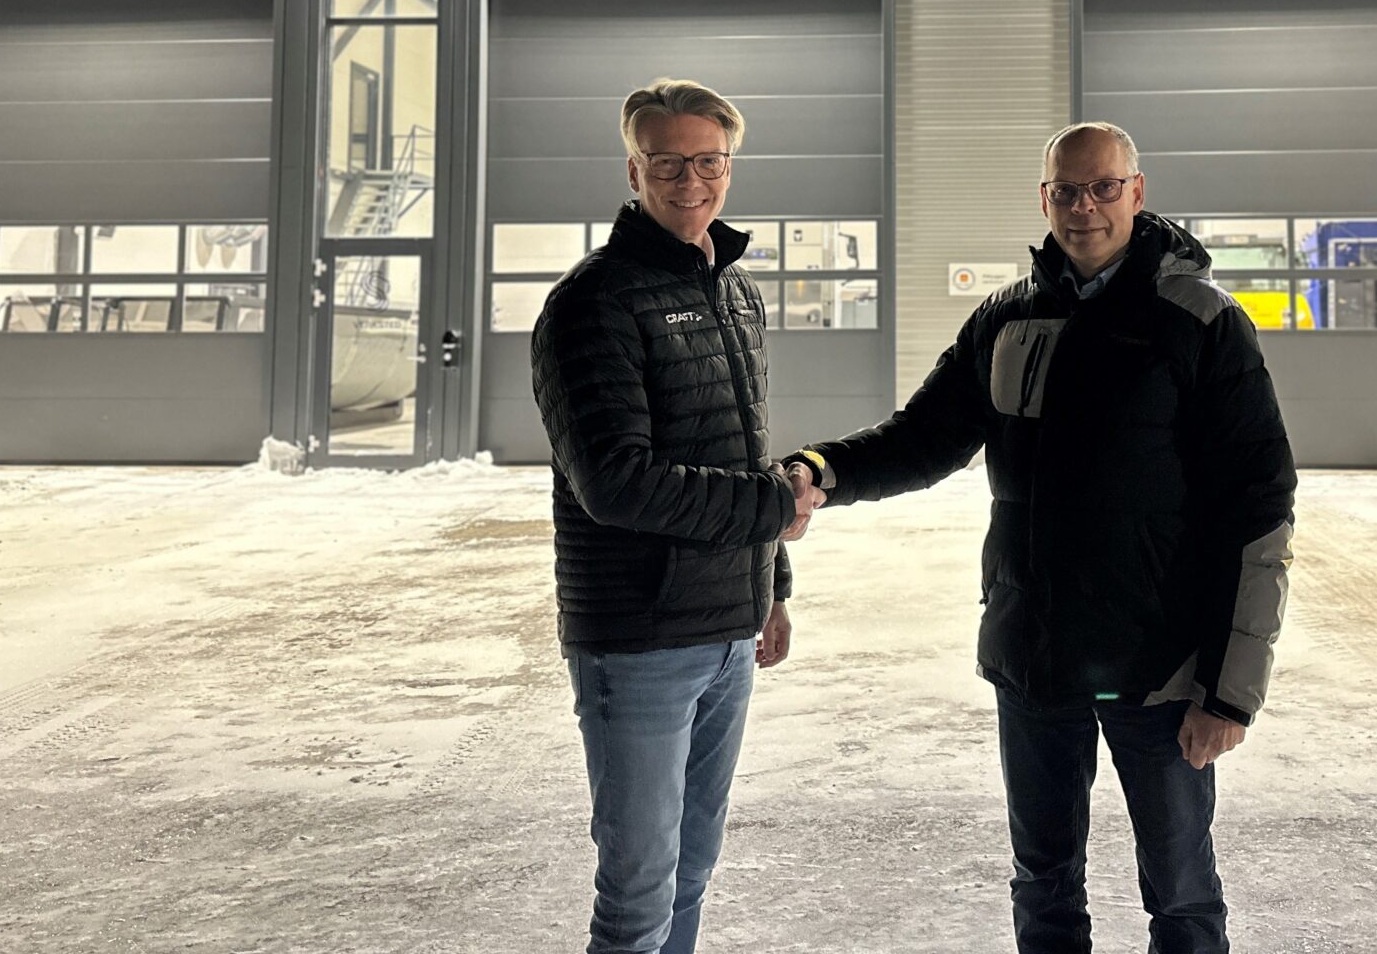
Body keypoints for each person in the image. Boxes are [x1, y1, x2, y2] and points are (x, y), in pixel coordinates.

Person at [785, 121, 1295, 954]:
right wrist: (822, 470)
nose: (1084, 207)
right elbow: (924, 437)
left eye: (1103, 188)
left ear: (1137, 191)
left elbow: (1260, 506)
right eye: (1067, 191)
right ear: (1044, 198)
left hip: (1160, 671)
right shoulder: (1008, 318)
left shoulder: (1200, 321)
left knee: (1181, 893)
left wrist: (1231, 691)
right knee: (1043, 881)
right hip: (1036, 658)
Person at [531, 77, 822, 954]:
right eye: (667, 163)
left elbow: (746, 446)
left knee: (691, 870)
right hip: (641, 640)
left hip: (729, 628)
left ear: (730, 166)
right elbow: (616, 483)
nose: (690, 181)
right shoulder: (595, 302)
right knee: (637, 893)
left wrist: (772, 585)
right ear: (634, 169)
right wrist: (774, 504)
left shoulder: (736, 291)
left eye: (708, 161)